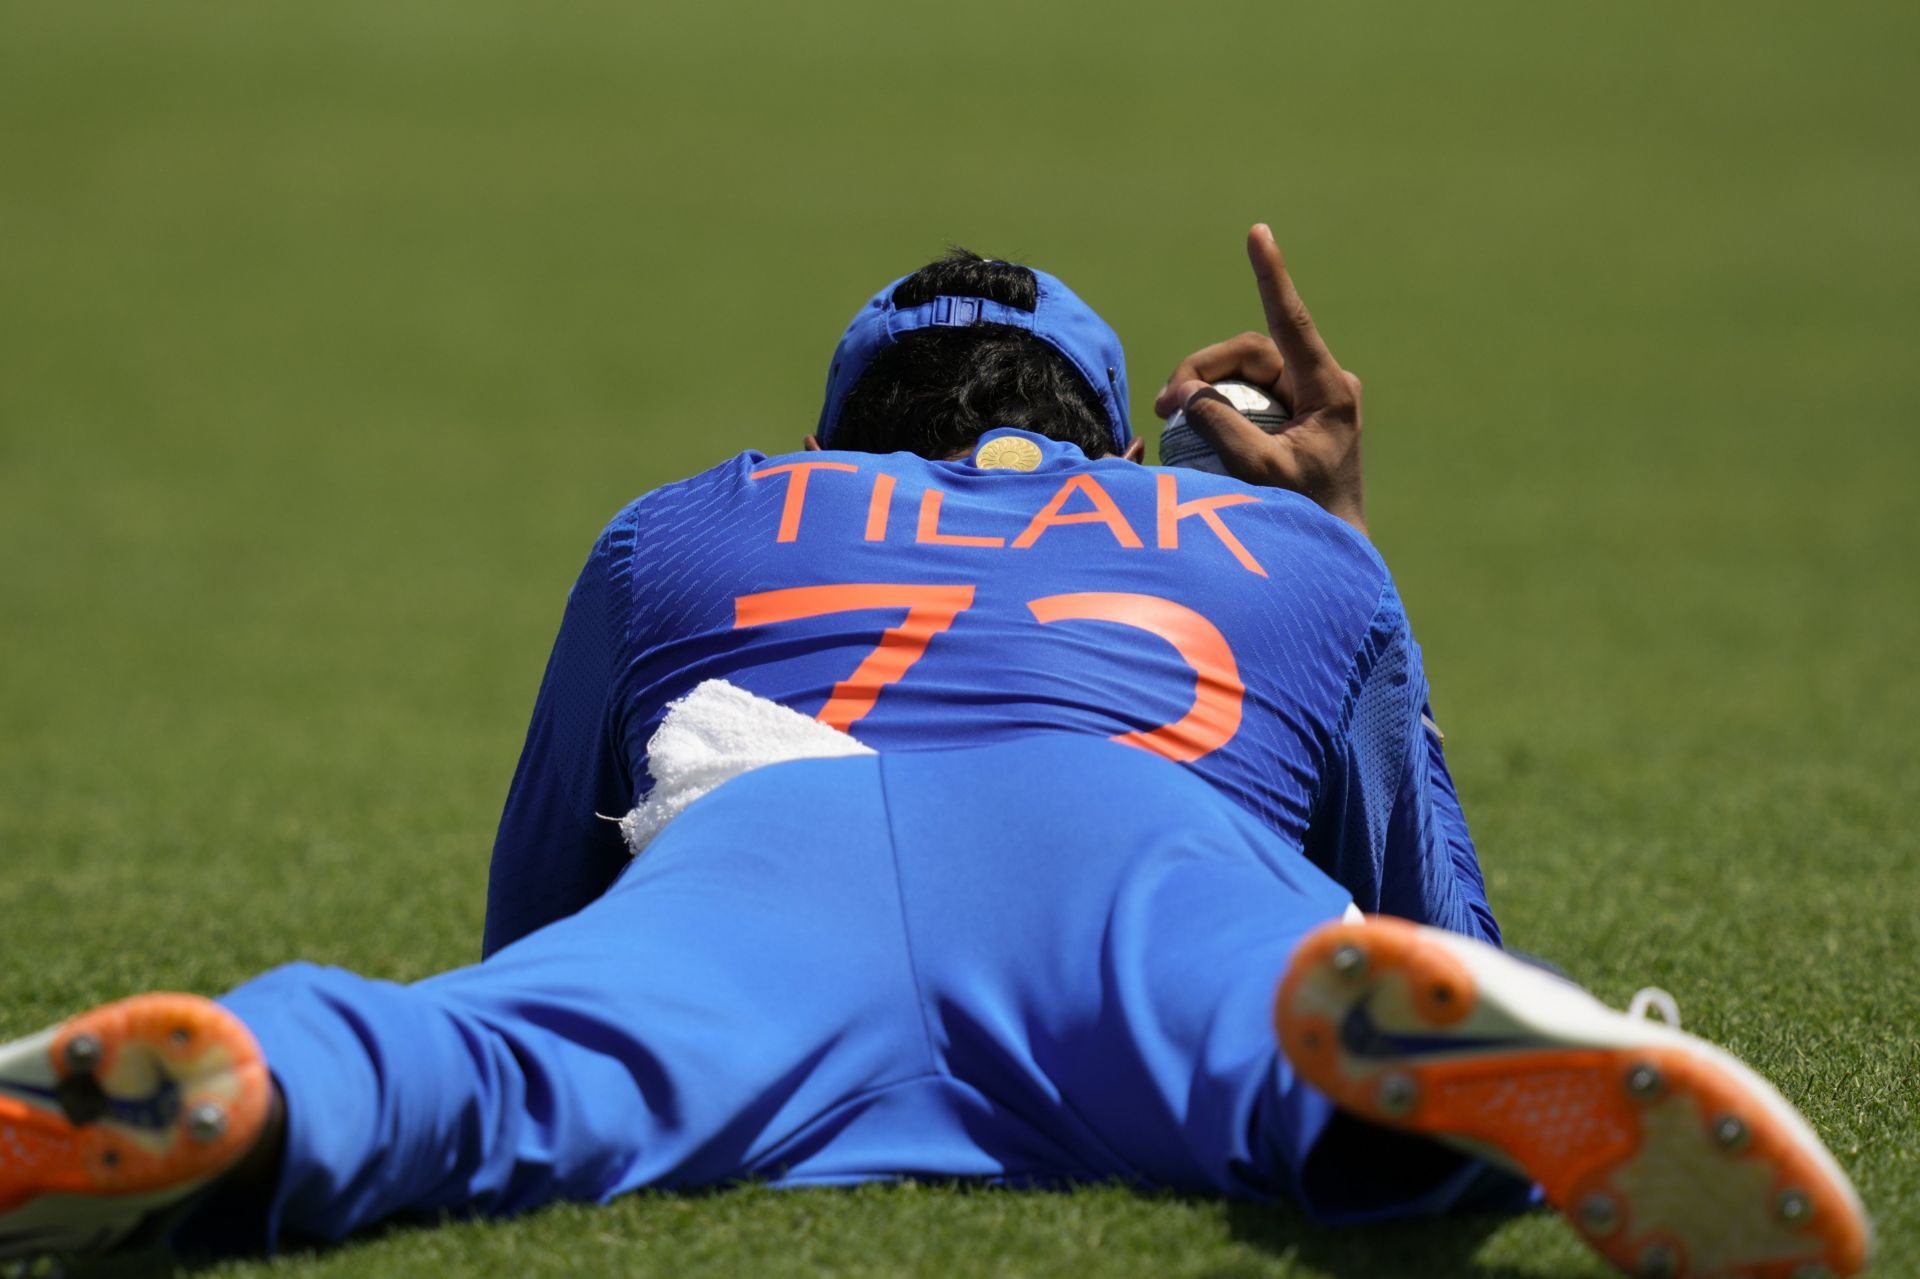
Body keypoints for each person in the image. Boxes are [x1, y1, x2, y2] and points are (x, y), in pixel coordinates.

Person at [0, 228, 1870, 1278]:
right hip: (1136, 847)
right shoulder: (1283, 551)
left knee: (486, 1062)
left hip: (768, 839)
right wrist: (1348, 530)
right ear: (1111, 440)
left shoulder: (701, 521)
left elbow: (534, 914)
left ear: (841, 436)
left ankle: (271, 1072)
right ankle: (1362, 1064)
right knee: (1315, 1033)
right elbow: (1438, 904)